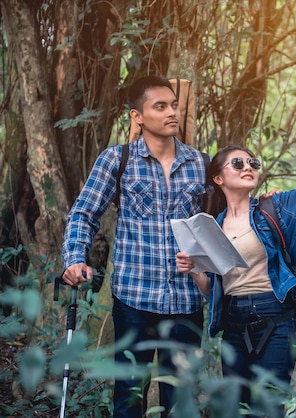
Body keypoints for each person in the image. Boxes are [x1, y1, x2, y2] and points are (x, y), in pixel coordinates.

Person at [176, 89, 296, 416]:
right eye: (238, 163)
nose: (248, 166)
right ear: (219, 177)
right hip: (234, 325)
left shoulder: (276, 208)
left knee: (269, 407)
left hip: (276, 319)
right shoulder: (212, 226)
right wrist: (193, 268)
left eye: (253, 162)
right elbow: (213, 289)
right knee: (235, 409)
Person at [62, 75, 209, 417]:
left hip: (186, 303)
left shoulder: (201, 163)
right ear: (137, 116)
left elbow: (227, 214)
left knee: (180, 402)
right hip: (134, 300)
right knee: (129, 400)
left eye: (173, 105)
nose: (171, 112)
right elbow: (83, 214)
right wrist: (74, 258)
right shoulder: (118, 160)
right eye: (160, 106)